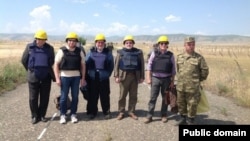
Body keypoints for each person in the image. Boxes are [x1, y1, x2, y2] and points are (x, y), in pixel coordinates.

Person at [21, 29, 55, 124]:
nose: (39, 41)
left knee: (44, 97)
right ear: (35, 38)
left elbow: (51, 62)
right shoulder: (29, 47)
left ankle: (42, 115)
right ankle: (35, 116)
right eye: (38, 39)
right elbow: (24, 60)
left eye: (41, 39)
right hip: (33, 77)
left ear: (45, 40)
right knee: (33, 98)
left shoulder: (50, 49)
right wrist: (31, 70)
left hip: (46, 77)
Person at [54, 32, 86, 124]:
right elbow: (56, 64)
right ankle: (63, 114)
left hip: (76, 77)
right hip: (64, 77)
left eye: (74, 41)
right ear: (67, 41)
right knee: (63, 97)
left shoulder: (79, 51)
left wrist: (83, 78)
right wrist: (57, 78)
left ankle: (73, 114)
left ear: (76, 42)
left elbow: (83, 65)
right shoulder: (62, 51)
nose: (72, 42)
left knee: (75, 97)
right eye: (70, 41)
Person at [175, 36, 209, 125]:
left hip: (193, 87)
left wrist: (198, 80)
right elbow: (178, 70)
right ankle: (182, 118)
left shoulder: (199, 58)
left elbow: (205, 70)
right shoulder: (179, 57)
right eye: (189, 44)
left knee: (192, 104)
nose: (191, 46)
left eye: (193, 44)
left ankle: (190, 120)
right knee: (181, 103)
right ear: (184, 45)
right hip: (181, 86)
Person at [144, 35, 176, 124]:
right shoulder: (154, 53)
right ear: (159, 44)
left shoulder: (171, 55)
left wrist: (172, 81)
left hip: (166, 79)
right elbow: (149, 66)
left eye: (165, 43)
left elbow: (173, 70)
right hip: (155, 78)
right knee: (153, 98)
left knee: (165, 98)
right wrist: (148, 78)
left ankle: (164, 114)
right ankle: (149, 115)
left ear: (167, 45)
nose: (163, 45)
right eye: (161, 43)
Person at [114, 35, 145, 120]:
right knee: (122, 96)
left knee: (133, 95)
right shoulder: (120, 52)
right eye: (127, 43)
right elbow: (116, 65)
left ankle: (131, 111)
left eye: (130, 43)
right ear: (124, 44)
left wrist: (142, 77)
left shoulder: (138, 52)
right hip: (123, 77)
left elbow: (142, 65)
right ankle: (121, 112)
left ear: (133, 44)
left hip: (135, 77)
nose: (129, 44)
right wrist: (116, 76)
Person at [85, 33, 114, 120]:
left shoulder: (108, 53)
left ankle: (106, 112)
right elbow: (86, 64)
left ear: (104, 43)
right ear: (95, 43)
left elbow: (111, 65)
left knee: (105, 95)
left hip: (104, 78)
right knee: (93, 96)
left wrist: (107, 74)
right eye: (98, 42)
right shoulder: (90, 52)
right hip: (93, 78)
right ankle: (93, 112)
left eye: (102, 42)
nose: (100, 44)